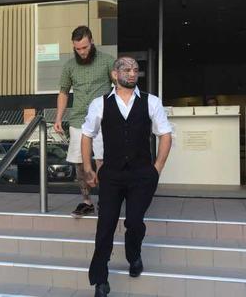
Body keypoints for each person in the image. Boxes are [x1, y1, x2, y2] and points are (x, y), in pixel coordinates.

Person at [81, 57, 172, 297]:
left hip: (142, 174)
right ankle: (100, 280)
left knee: (134, 221)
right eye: (126, 70)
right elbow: (87, 135)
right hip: (111, 174)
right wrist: (88, 168)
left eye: (135, 70)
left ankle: (134, 255)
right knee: (105, 226)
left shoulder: (151, 102)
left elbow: (165, 134)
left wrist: (157, 168)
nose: (132, 73)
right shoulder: (99, 104)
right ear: (114, 75)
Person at [54, 25, 114, 218]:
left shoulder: (107, 61)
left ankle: (105, 200)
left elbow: (120, 86)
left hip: (103, 119)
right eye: (77, 48)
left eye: (85, 47)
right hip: (79, 119)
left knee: (102, 159)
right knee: (79, 162)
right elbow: (63, 92)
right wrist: (58, 118)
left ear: (92, 42)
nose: (81, 52)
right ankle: (86, 201)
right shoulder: (69, 66)